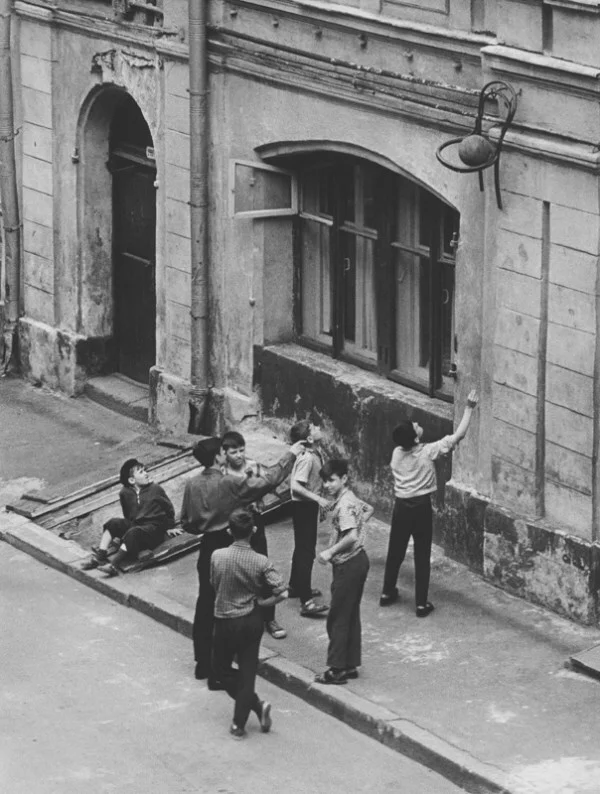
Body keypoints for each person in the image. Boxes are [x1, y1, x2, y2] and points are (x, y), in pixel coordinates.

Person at [181, 435, 306, 686]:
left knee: (205, 603)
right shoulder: (229, 482)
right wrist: (290, 454)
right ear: (219, 456)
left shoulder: (191, 484)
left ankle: (202, 663)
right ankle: (220, 669)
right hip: (226, 544)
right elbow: (268, 481)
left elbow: (187, 522)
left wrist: (206, 524)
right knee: (226, 607)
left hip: (207, 546)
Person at [379, 389, 479, 617]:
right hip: (420, 507)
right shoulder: (428, 452)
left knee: (396, 549)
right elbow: (458, 436)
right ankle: (421, 603)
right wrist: (469, 408)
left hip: (401, 506)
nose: (417, 423)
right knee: (422, 554)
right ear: (415, 437)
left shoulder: (396, 453)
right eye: (415, 426)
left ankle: (387, 591)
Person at [210, 507, 288, 739]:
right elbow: (282, 591)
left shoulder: (217, 556)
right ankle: (243, 718)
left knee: (221, 671)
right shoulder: (261, 561)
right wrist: (264, 603)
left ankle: (247, 714)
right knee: (247, 674)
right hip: (250, 619)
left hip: (224, 619)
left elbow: (213, 584)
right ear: (253, 531)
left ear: (228, 531)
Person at [221, 430, 287, 640]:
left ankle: (269, 618)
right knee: (235, 570)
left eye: (241, 450)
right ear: (224, 453)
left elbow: (268, 484)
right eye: (234, 452)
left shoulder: (253, 466)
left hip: (254, 522)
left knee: (262, 567)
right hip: (232, 526)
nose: (239, 455)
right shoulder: (222, 474)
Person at [314, 460, 373, 685]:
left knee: (337, 617)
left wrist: (329, 552)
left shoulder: (344, 505)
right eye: (325, 481)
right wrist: (360, 522)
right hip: (358, 561)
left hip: (348, 563)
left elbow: (351, 537)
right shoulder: (349, 499)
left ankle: (336, 669)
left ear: (344, 479)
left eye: (332, 480)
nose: (327, 485)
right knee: (350, 614)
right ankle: (349, 664)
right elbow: (368, 509)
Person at [81, 458, 179, 577]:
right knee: (113, 523)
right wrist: (124, 530)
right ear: (132, 480)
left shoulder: (155, 489)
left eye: (145, 470)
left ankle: (114, 565)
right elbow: (127, 514)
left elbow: (169, 509)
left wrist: (169, 527)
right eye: (141, 472)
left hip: (154, 530)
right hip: (137, 526)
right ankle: (100, 556)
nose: (146, 473)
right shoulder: (125, 493)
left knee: (133, 532)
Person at [288, 420, 329, 617]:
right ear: (310, 438)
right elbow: (296, 486)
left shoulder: (314, 453)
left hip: (307, 506)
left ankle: (296, 586)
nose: (319, 427)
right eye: (314, 427)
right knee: (307, 552)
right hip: (303, 507)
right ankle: (306, 601)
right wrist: (318, 499)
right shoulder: (307, 458)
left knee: (302, 548)